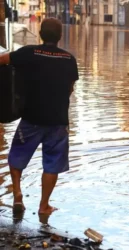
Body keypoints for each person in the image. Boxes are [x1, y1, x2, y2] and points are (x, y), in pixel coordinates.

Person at [0, 18, 79, 215]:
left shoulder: (29, 52)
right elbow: (69, 88)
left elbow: (2, 60)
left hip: (31, 117)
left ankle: (17, 193)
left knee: (17, 156)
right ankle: (44, 206)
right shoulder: (69, 59)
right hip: (58, 120)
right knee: (52, 164)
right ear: (60, 36)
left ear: (41, 34)